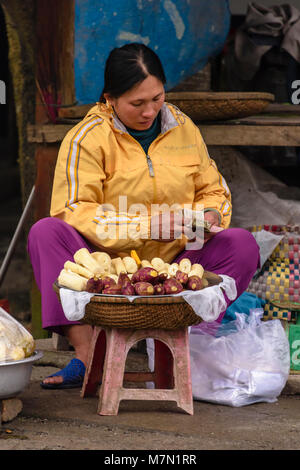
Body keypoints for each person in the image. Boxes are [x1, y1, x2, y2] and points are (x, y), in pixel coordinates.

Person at [28, 43, 260, 389]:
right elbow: (75, 209)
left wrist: (210, 215)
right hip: (106, 267)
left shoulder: (183, 127)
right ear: (110, 99)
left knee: (241, 244)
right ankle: (88, 353)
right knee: (46, 232)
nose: (150, 111)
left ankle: (184, 344)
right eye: (137, 103)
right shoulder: (86, 139)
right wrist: (143, 226)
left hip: (176, 267)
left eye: (158, 98)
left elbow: (213, 189)